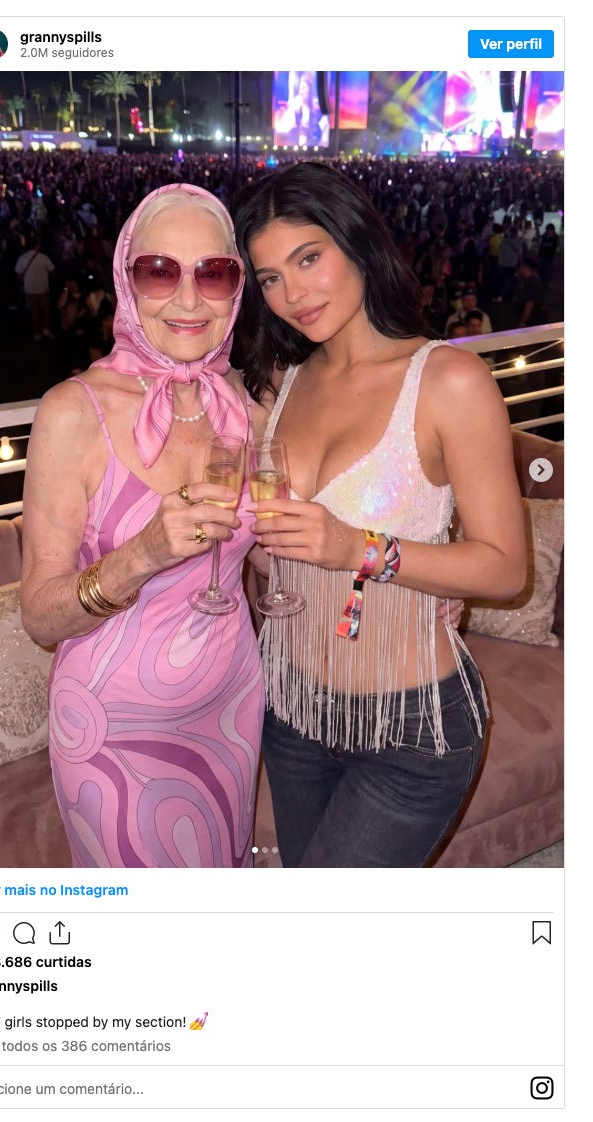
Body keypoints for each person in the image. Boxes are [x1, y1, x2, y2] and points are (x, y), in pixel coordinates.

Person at [231, 162, 526, 868]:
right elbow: (269, 555)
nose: (292, 294)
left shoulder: (449, 380)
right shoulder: (280, 384)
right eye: (270, 278)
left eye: (308, 259)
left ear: (357, 241)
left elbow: (506, 569)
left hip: (412, 728)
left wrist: (358, 549)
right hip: (292, 712)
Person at [20, 183, 268, 868]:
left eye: (213, 273)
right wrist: (142, 554)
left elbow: (264, 561)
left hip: (232, 705)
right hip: (111, 727)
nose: (188, 300)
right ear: (126, 281)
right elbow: (40, 617)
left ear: (236, 287)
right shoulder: (73, 412)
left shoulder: (245, 404)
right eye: (159, 271)